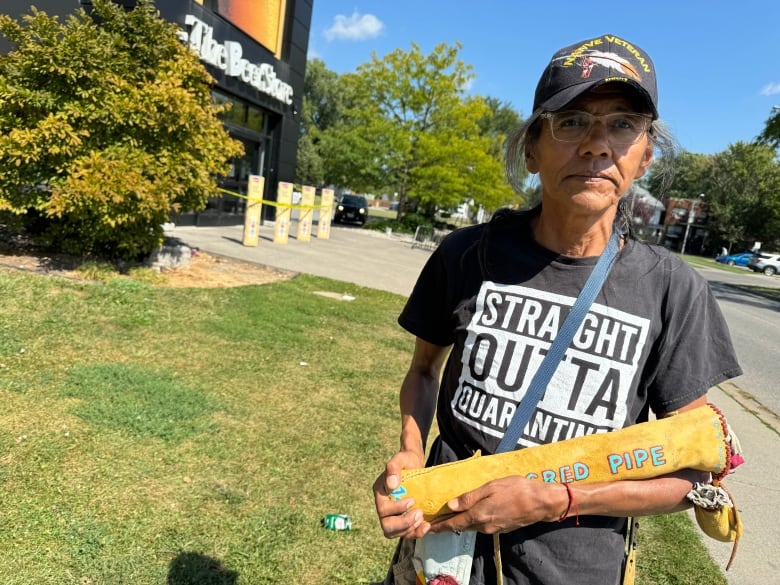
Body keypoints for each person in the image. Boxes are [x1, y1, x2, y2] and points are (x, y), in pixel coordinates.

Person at [373, 33, 742, 585]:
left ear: (644, 156)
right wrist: (408, 451)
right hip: (443, 552)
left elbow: (693, 473)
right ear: (531, 148)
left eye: (622, 124)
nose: (597, 144)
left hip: (576, 568)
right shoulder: (466, 255)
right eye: (571, 121)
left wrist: (559, 499)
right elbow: (424, 370)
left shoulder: (674, 291)